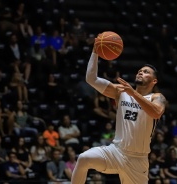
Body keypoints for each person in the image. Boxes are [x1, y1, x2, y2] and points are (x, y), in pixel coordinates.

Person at [71, 35, 167, 184]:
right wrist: (95, 51)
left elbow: (156, 112)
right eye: (140, 70)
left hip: (138, 159)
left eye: (146, 72)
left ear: (154, 81)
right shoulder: (121, 92)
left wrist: (133, 93)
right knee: (83, 159)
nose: (141, 72)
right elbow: (91, 78)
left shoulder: (157, 97)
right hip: (116, 151)